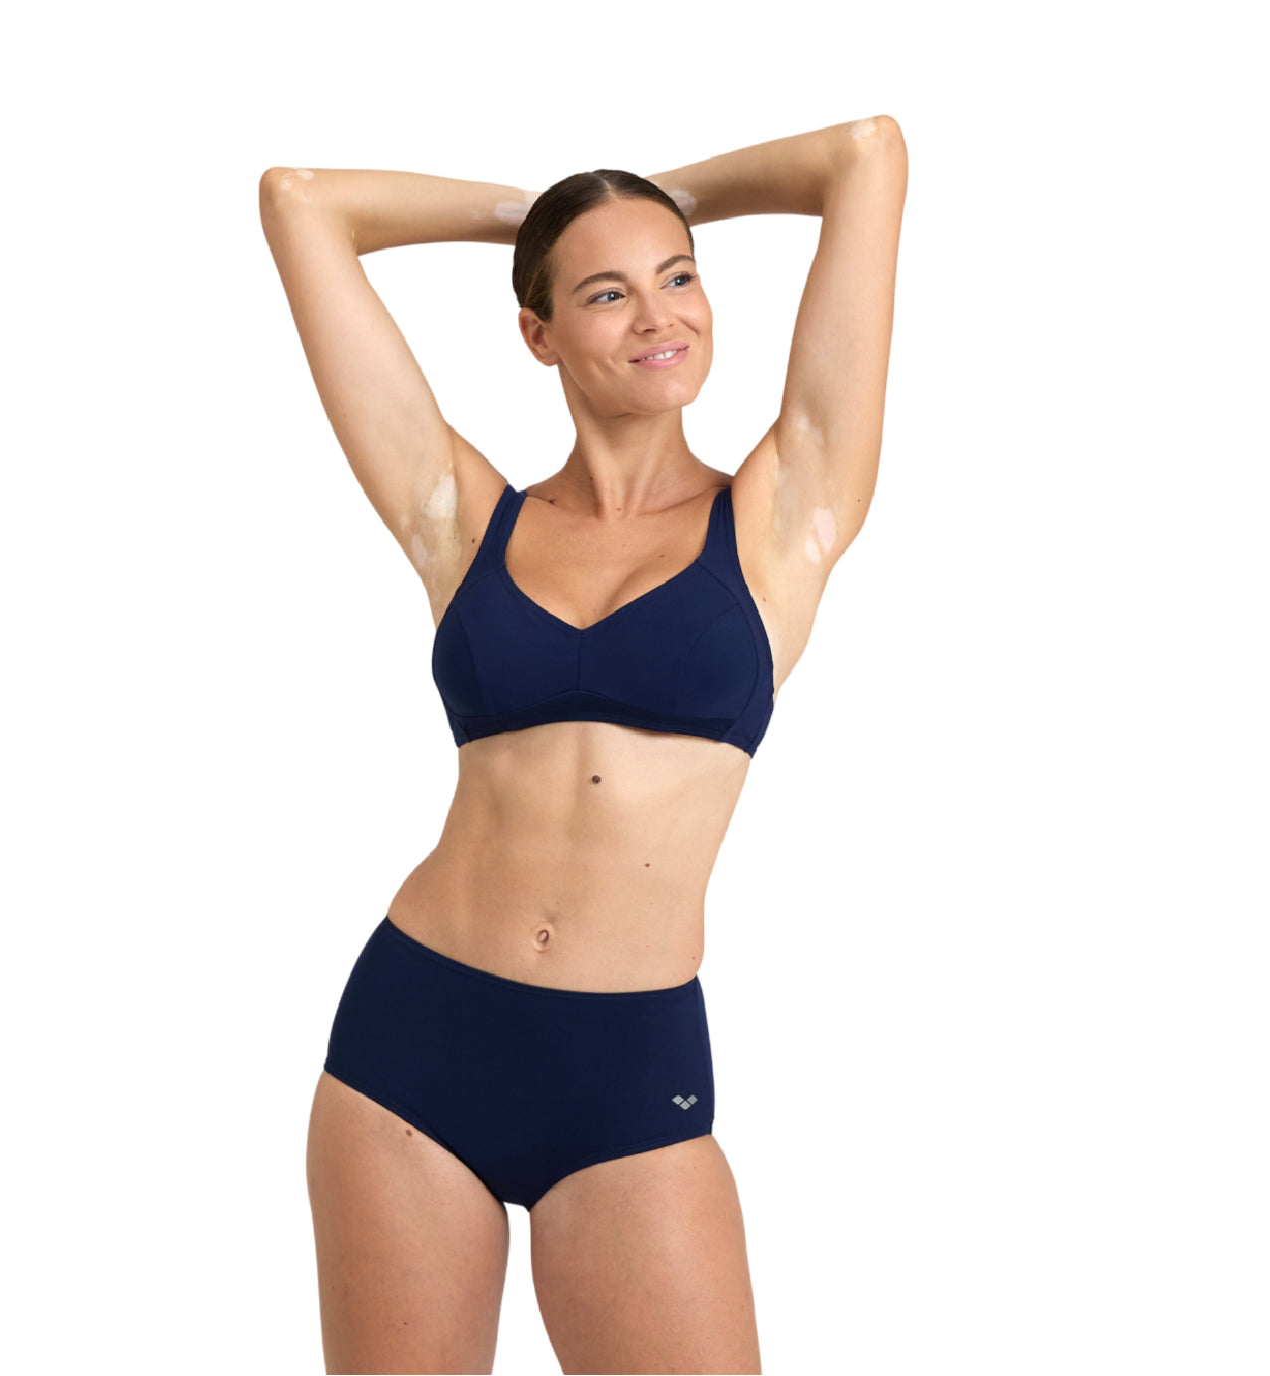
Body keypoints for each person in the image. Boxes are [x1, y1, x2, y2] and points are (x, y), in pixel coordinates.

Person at [258, 116, 907, 1375]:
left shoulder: (782, 513)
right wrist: (539, 214)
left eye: (678, 275)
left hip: (624, 1071)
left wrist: (638, 200)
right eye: (605, 292)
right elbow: (300, 203)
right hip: (411, 1043)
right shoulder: (464, 518)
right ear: (538, 333)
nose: (659, 314)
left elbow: (864, 155)